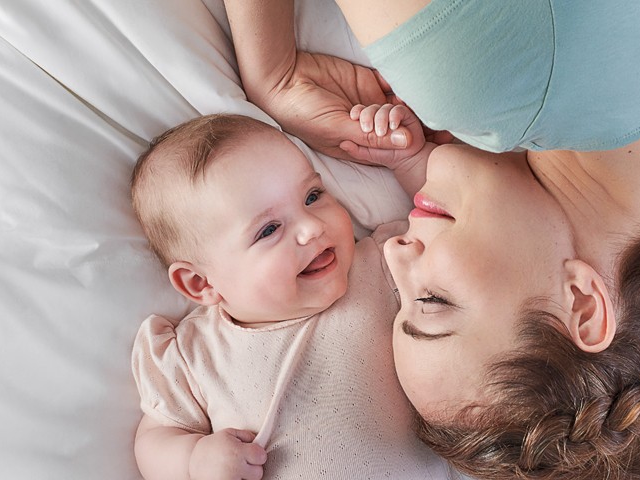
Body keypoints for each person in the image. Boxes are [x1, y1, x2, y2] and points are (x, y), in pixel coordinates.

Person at [225, 0, 640, 478]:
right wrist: (272, 71)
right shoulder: (478, 78)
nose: (394, 254)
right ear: (583, 303)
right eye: (432, 304)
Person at [128, 113, 451, 480]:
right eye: (269, 230)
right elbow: (154, 437)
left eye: (313, 196)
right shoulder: (195, 354)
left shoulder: (382, 262)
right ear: (201, 283)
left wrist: (410, 158)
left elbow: (450, 219)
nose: (312, 227)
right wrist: (193, 460)